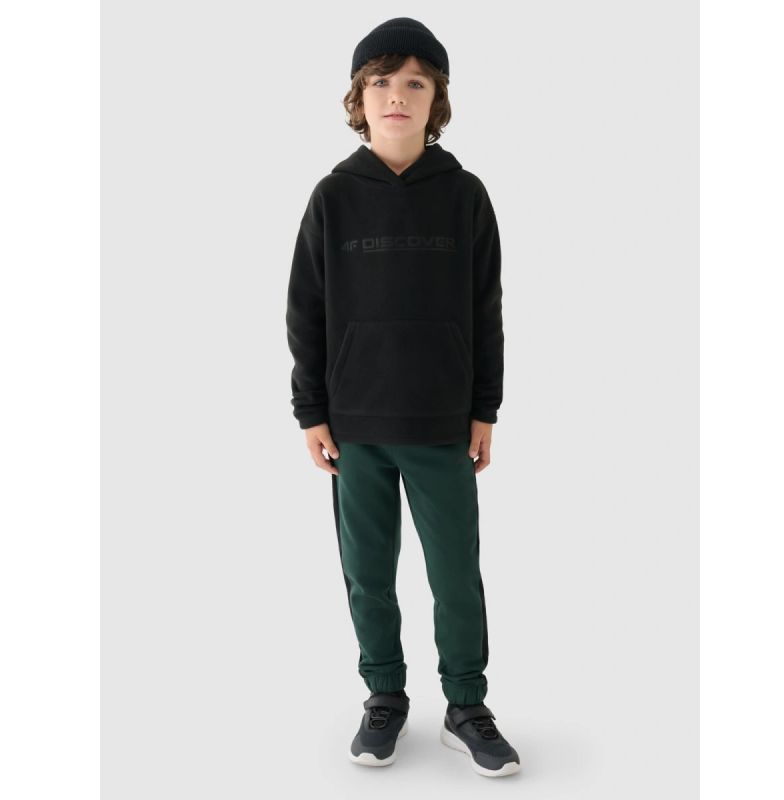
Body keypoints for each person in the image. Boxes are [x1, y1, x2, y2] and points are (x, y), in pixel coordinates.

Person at [285, 17, 520, 778]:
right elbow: (306, 310)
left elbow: (485, 307)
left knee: (455, 573)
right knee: (368, 573)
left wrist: (484, 408)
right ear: (359, 98)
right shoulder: (333, 197)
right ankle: (384, 695)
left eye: (415, 83)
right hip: (355, 426)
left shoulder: (465, 196)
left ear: (435, 99)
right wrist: (311, 411)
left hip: (442, 423)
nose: (397, 95)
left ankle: (466, 706)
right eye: (381, 82)